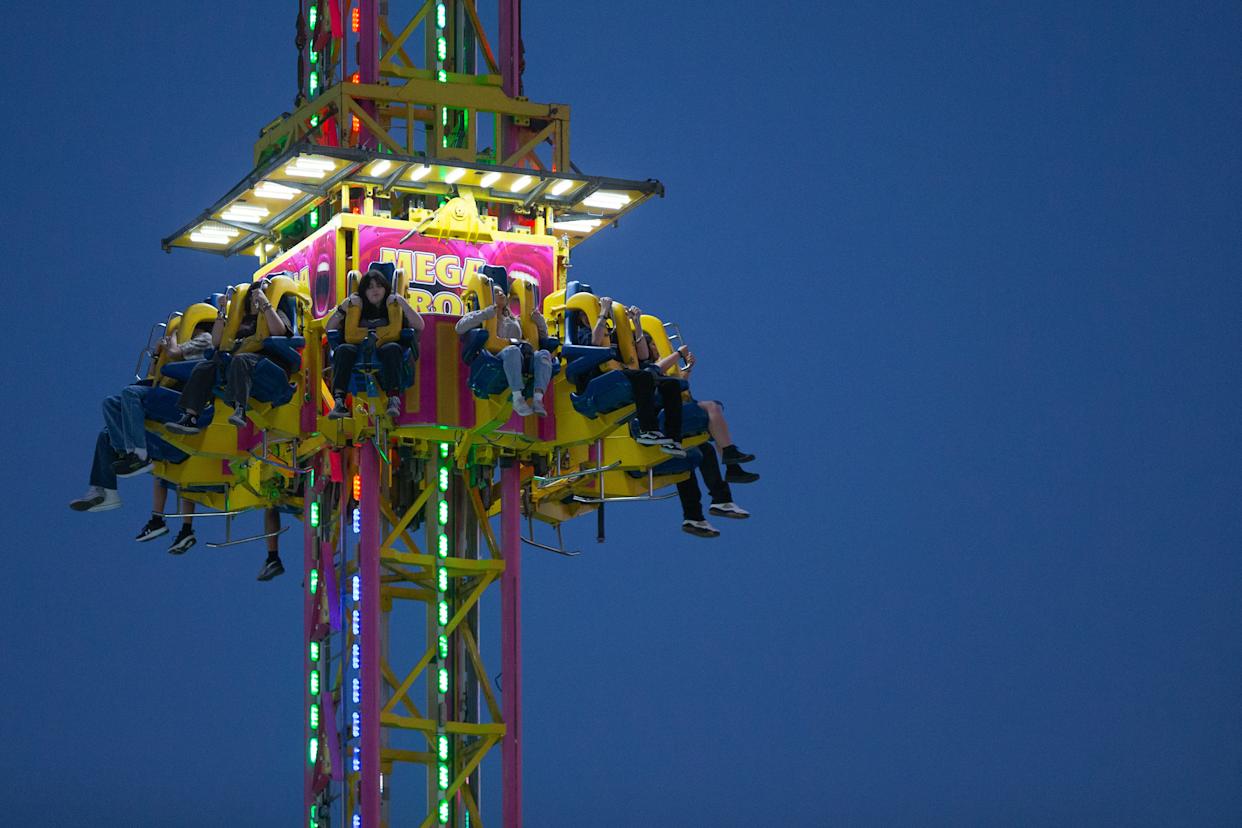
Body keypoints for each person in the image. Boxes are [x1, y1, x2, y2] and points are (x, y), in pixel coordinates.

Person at [167, 283, 292, 434]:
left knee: (240, 360)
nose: (256, 295)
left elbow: (279, 331)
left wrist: (265, 304)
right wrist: (222, 313)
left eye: (262, 291)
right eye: (254, 293)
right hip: (237, 360)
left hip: (268, 359)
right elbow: (217, 342)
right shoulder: (240, 321)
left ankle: (240, 409)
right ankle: (190, 417)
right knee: (204, 367)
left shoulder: (275, 311)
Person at [579, 298, 684, 456]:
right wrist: (602, 313)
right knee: (643, 377)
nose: (586, 318)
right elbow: (595, 342)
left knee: (671, 385)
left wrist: (637, 323)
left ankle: (673, 438)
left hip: (622, 374)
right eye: (583, 316)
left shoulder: (614, 335)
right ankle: (647, 429)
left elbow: (643, 355)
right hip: (598, 378)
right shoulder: (585, 333)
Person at [325, 268, 424, 419]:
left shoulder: (393, 307)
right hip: (359, 349)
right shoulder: (356, 309)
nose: (375, 290)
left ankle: (393, 398)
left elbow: (420, 325)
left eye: (378, 286)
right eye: (369, 287)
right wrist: (342, 309)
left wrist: (402, 303)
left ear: (385, 288)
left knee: (392, 348)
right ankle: (339, 401)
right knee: (343, 349)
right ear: (363, 292)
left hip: (386, 348)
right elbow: (329, 328)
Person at [455, 282, 553, 416]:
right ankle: (518, 398)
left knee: (544, 354)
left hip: (521, 355)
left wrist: (539, 321)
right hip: (497, 355)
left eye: (501, 292)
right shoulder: (484, 316)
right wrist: (485, 313)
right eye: (496, 292)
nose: (501, 294)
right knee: (512, 351)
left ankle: (538, 399)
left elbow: (542, 336)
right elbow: (459, 327)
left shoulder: (516, 320)